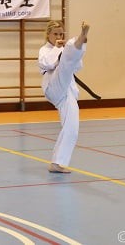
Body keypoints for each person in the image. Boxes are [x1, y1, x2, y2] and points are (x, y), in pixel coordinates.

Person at [38, 20, 90, 173]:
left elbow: (78, 66)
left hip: (66, 91)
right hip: (53, 86)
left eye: (61, 34)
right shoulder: (45, 50)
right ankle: (80, 40)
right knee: (66, 57)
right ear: (48, 35)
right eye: (55, 34)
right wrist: (59, 49)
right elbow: (46, 64)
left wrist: (66, 51)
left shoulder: (62, 49)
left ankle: (57, 163)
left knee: (72, 127)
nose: (58, 36)